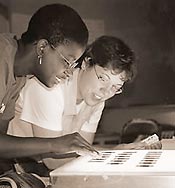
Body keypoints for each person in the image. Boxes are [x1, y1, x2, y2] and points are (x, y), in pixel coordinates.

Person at [8, 35, 162, 170]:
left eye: (116, 87)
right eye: (103, 78)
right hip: (15, 167)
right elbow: (53, 161)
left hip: (42, 171)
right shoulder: (51, 86)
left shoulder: (96, 98)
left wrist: (119, 150)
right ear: (86, 63)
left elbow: (80, 151)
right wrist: (112, 153)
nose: (106, 92)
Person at [0, 3, 98, 174]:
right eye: (67, 61)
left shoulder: (19, 77)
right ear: (42, 47)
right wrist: (55, 144)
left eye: (74, 64)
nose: (69, 72)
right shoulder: (2, 57)